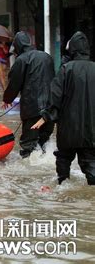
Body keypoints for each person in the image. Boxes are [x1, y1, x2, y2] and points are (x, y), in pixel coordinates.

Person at [31, 31, 95, 185]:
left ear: (72, 49)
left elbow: (55, 96)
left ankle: (62, 191)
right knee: (91, 163)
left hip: (68, 129)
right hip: (91, 130)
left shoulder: (66, 69)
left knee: (63, 161)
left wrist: (45, 117)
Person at [2, 31, 55, 158]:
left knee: (28, 146)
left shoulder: (21, 60)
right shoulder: (47, 57)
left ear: (18, 46)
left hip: (32, 110)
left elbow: (14, 83)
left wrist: (7, 99)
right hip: (50, 110)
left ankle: (27, 176)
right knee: (44, 144)